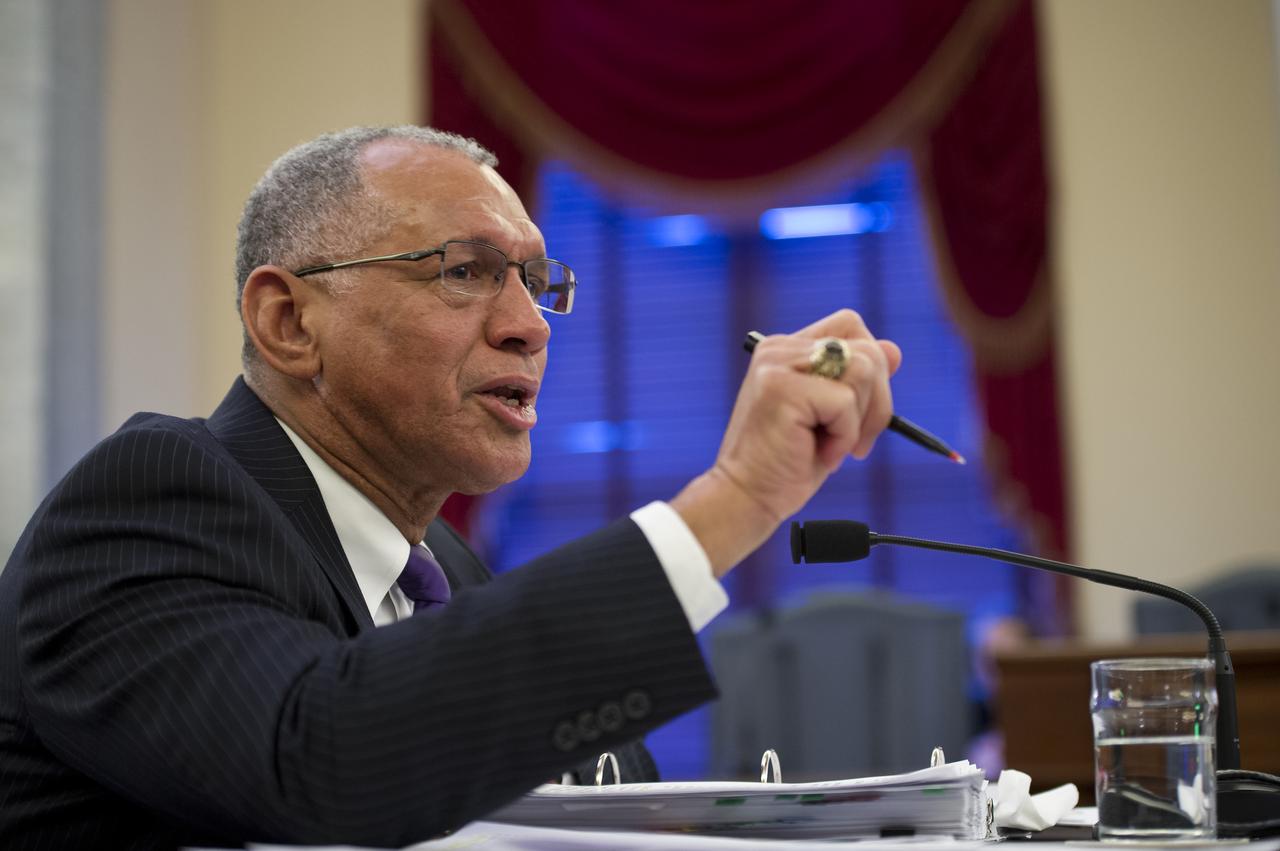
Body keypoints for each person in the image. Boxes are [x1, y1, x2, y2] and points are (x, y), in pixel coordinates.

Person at [0, 126, 900, 849]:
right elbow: (328, 760)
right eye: (464, 271)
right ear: (288, 322)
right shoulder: (149, 500)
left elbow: (608, 794)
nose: (527, 327)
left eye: (538, 283)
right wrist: (736, 498)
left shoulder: (444, 572)